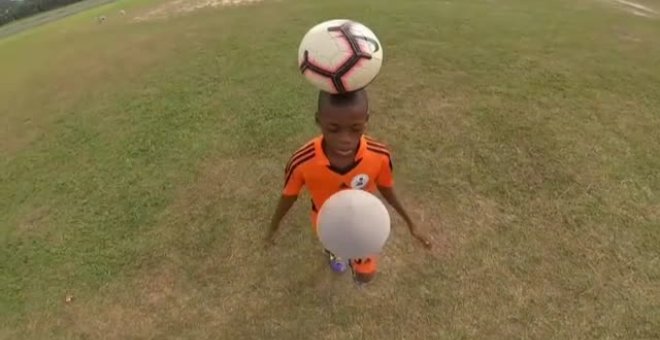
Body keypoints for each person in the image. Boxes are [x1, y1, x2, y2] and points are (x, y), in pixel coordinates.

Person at [266, 89, 432, 284]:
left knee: (365, 276)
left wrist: (411, 223)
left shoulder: (379, 155)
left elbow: (387, 189)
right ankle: (336, 252)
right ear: (318, 120)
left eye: (355, 128)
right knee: (336, 246)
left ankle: (357, 262)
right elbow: (288, 196)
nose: (345, 139)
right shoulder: (302, 161)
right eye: (334, 129)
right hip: (327, 221)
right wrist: (273, 227)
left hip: (364, 222)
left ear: (366, 120)